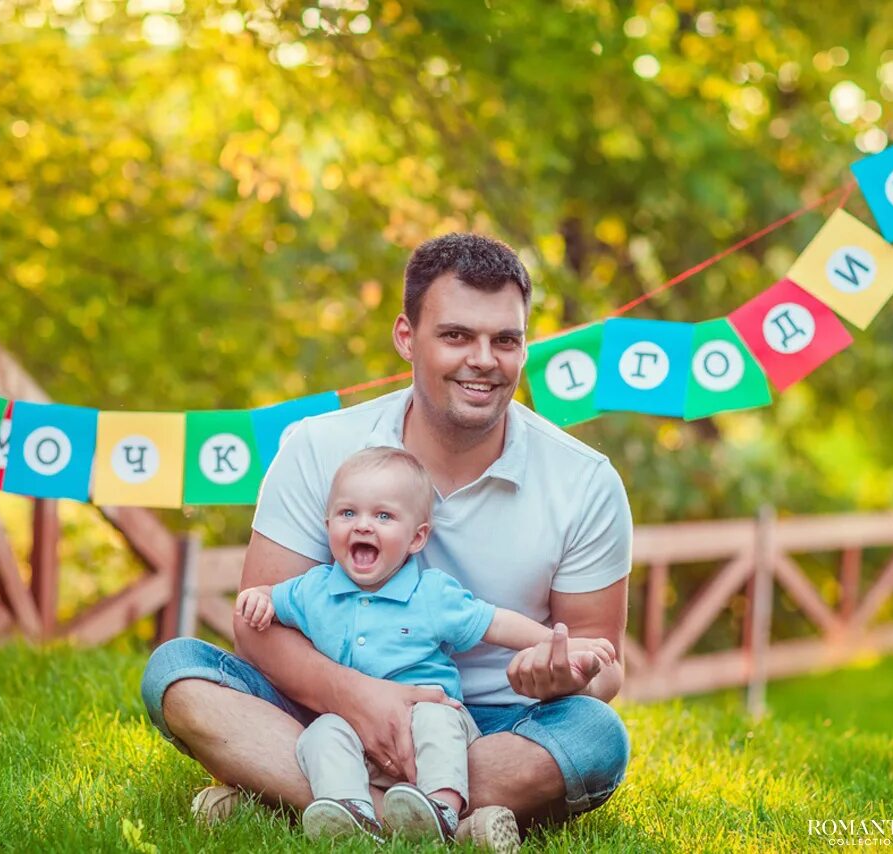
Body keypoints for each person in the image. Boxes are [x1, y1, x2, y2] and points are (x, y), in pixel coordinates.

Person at [141, 232, 633, 851]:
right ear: (407, 337)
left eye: (505, 340)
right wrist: (360, 698)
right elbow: (257, 625)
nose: (484, 359)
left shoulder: (584, 481)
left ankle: (308, 797)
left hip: (493, 724)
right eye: (456, 336)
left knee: (597, 736)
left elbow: (604, 666)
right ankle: (433, 819)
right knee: (180, 672)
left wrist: (565, 675)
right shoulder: (316, 446)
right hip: (325, 708)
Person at [234, 446, 616, 844]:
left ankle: (441, 808)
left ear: (417, 537)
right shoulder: (312, 589)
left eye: (383, 516)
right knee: (323, 732)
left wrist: (562, 643)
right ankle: (351, 809)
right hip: (355, 729)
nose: (363, 526)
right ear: (327, 523)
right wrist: (258, 598)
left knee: (436, 719)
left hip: (432, 728)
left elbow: (496, 623)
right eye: (348, 513)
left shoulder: (431, 593)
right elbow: (267, 598)